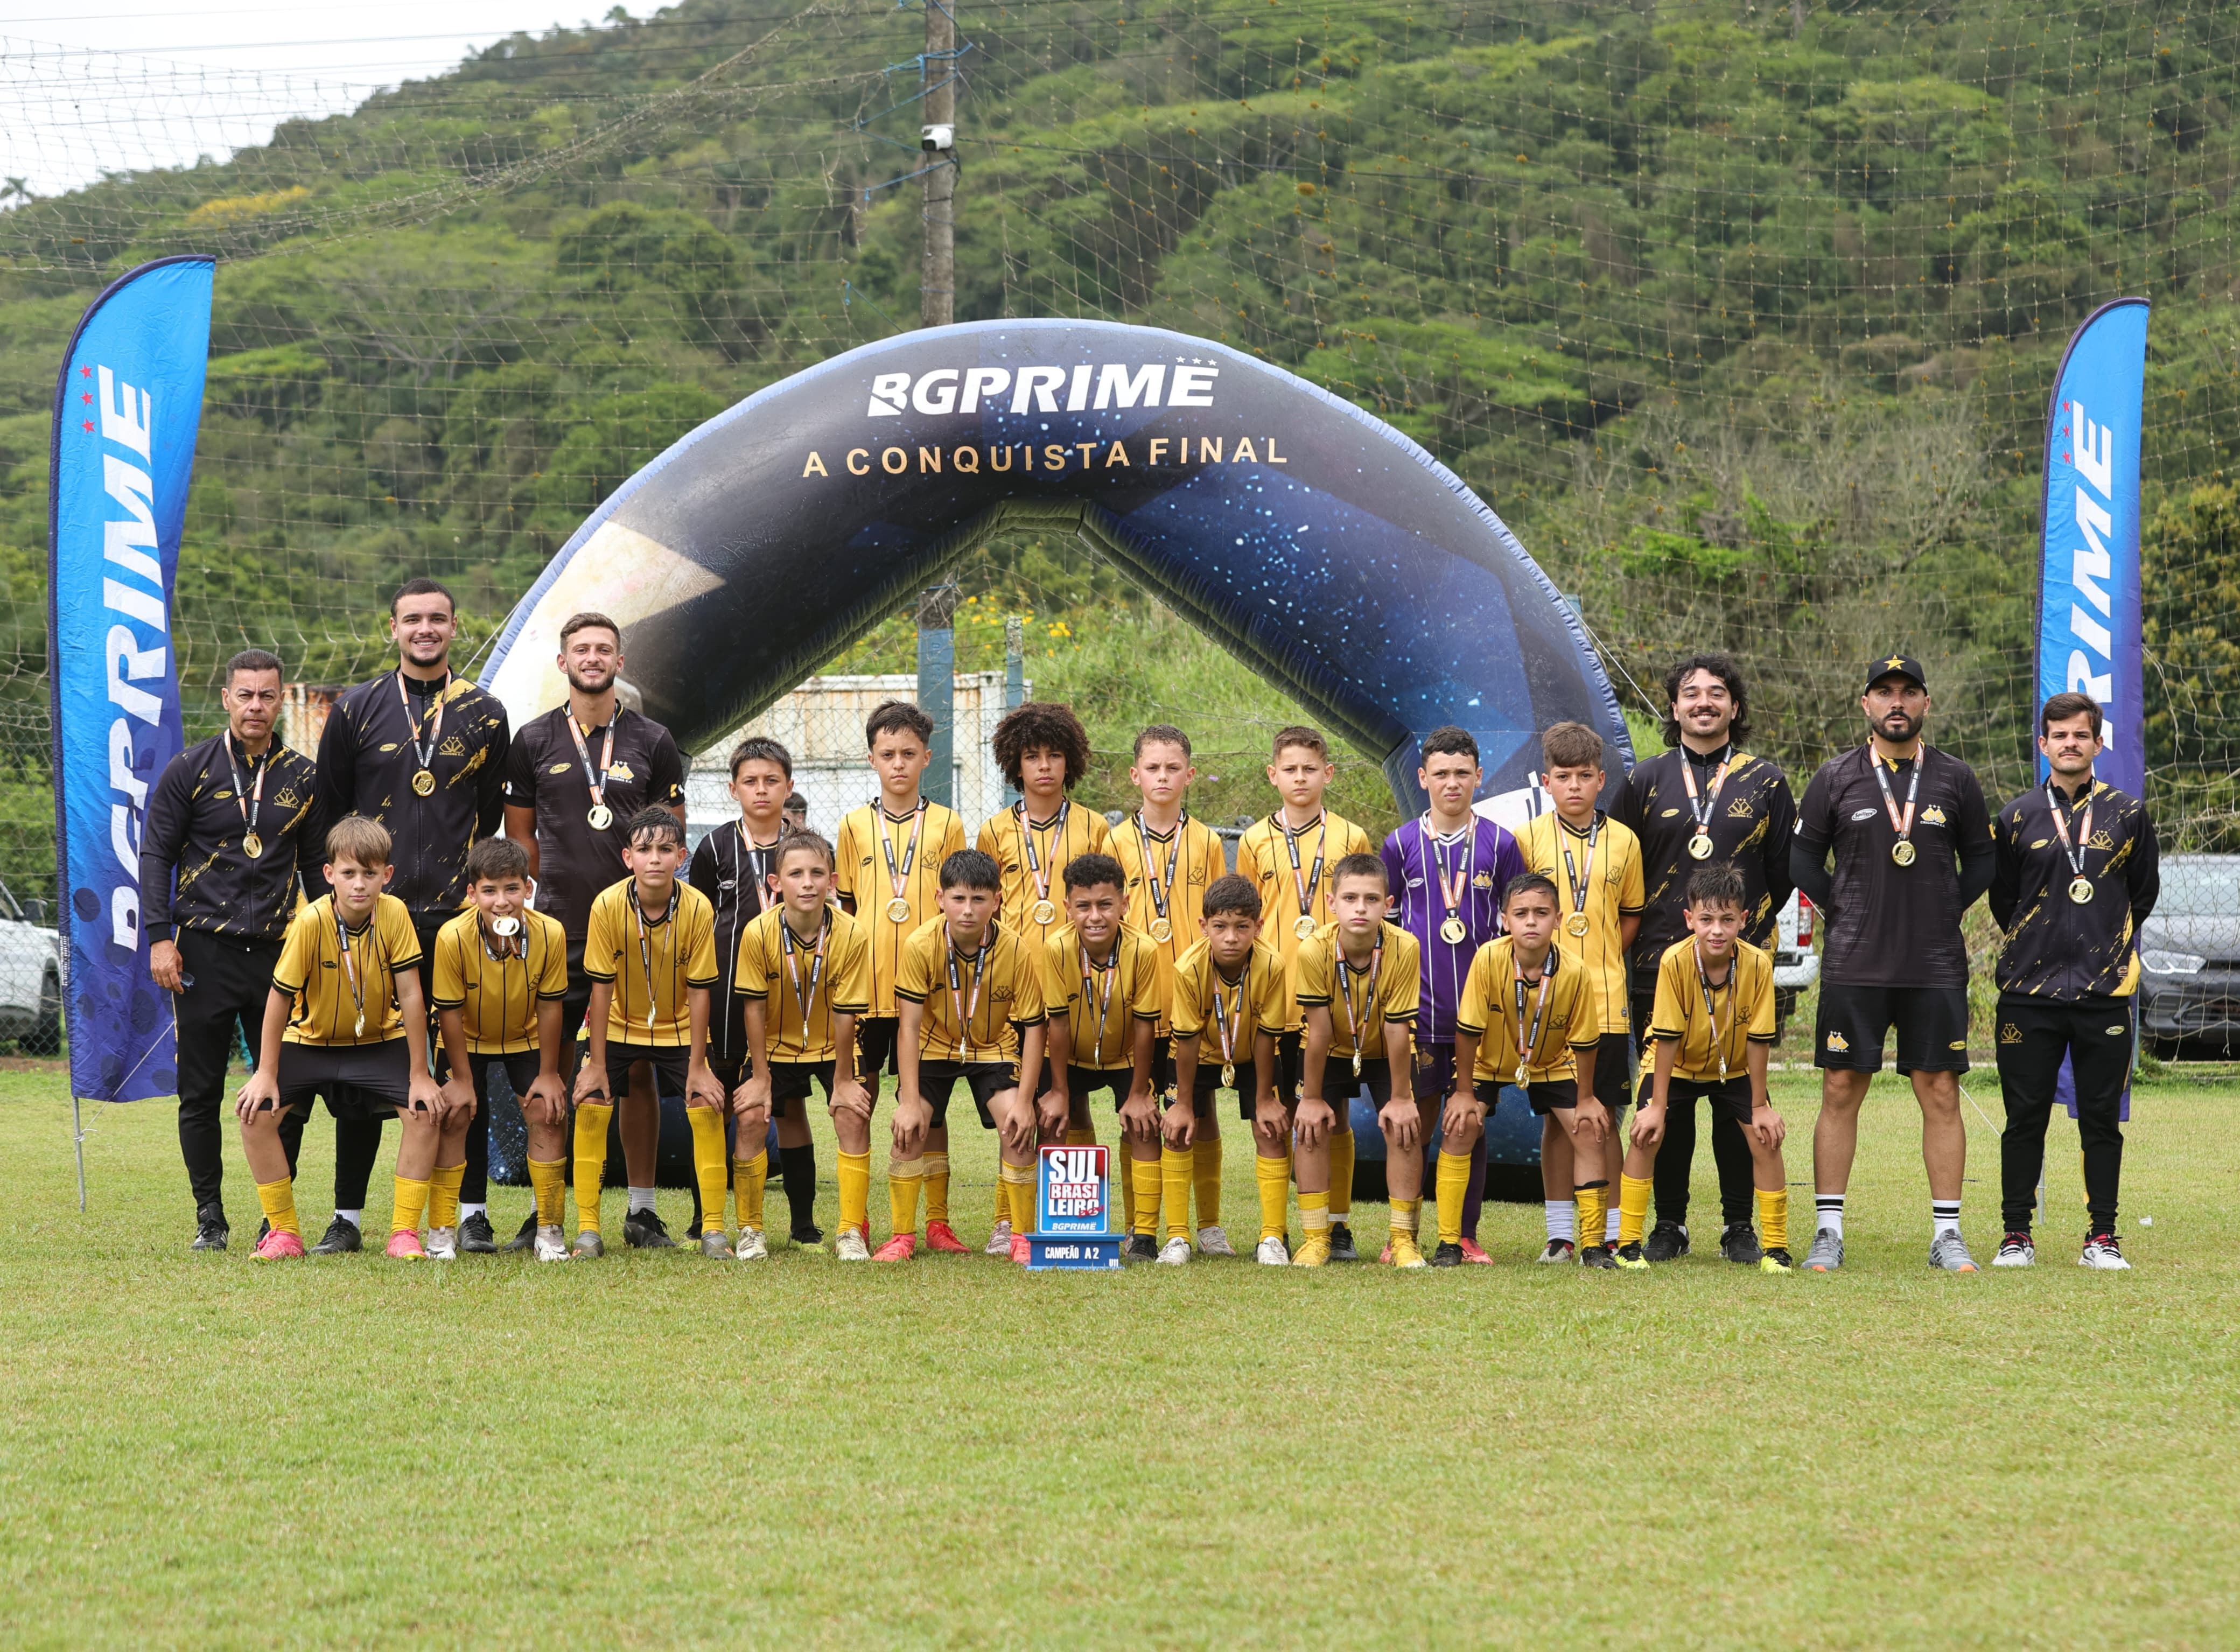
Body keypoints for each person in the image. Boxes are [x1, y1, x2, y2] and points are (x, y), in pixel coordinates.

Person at [313, 577, 511, 1253]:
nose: (424, 629)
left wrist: (479, 895)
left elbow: (488, 822)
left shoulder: (485, 712)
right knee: (365, 1057)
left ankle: (470, 1213)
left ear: (455, 627)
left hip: (458, 918)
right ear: (392, 628)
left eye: (437, 619)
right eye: (412, 619)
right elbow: (333, 811)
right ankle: (347, 1218)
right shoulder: (356, 708)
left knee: (467, 1065)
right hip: (378, 915)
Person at [1792, 654, 1994, 1273]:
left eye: (1908, 691)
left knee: (1939, 1091)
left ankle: (1947, 1233)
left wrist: (1940, 910)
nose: (1896, 702)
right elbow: (1801, 860)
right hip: (1855, 963)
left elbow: (1981, 863)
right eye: (1884, 692)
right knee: (1839, 1087)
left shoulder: (1955, 778)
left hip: (1933, 965)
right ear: (1866, 705)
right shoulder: (1834, 777)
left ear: (1926, 704)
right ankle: (1827, 1230)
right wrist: (1845, 910)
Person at [502, 611, 688, 1248]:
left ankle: (640, 1210)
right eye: (580, 649)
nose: (591, 657)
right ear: (563, 662)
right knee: (547, 1067)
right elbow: (520, 835)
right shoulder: (531, 740)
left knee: (632, 1071)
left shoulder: (654, 739)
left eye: (603, 648)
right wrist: (538, 900)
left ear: (619, 661)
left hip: (634, 932)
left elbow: (669, 829)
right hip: (557, 929)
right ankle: (546, 1210)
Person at [1613, 653, 1795, 1265]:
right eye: (1690, 693)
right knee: (1669, 1095)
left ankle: (1740, 1225)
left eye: (1716, 693)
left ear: (1734, 707)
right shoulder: (1644, 779)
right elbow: (1622, 865)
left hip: (1738, 967)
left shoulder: (1765, 780)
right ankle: (1667, 1223)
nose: (1703, 702)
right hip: (1656, 967)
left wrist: (1745, 943)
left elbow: (1781, 872)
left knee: (1735, 1096)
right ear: (1673, 708)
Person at [141, 649, 324, 1251]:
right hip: (202, 951)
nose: (256, 706)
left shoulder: (302, 775)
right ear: (226, 698)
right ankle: (209, 1217)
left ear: (279, 700)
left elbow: (320, 870)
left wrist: (332, 944)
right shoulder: (189, 768)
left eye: (267, 695)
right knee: (200, 1090)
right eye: (245, 694)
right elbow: (157, 855)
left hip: (279, 952)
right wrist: (160, 937)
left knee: (286, 1088)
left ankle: (276, 1217)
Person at [1987, 692, 2159, 1271]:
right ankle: (2015, 1234)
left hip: (2101, 992)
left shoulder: (2127, 814)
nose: (2068, 743)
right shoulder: (2013, 817)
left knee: (2099, 1118)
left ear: (2096, 743)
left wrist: (2099, 945)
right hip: (2025, 995)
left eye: (2079, 735)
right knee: (2024, 1115)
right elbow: (2003, 901)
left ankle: (2101, 1237)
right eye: (2057, 735)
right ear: (2042, 744)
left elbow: (2141, 895)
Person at [232, 816, 439, 1259]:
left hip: (380, 1042)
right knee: (256, 1114)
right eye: (348, 874)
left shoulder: (396, 913)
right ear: (330, 875)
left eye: (370, 874)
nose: (359, 885)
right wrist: (266, 1073)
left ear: (387, 875)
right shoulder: (310, 921)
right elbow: (277, 1002)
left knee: (425, 1111)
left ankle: (404, 1234)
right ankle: (284, 1233)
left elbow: (411, 994)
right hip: (311, 1043)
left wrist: (420, 1074)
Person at [1378, 725, 1526, 1264]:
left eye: (1462, 772)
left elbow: (1516, 929)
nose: (1451, 782)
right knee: (1413, 1121)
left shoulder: (1501, 843)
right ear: (1421, 778)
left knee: (1469, 1121)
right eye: (1440, 773)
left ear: (1478, 776)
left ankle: (1462, 1234)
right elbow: (1385, 930)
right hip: (1417, 1012)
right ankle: (1404, 1235)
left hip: (1479, 1015)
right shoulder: (1398, 844)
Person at [832, 701, 968, 1254]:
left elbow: (959, 904)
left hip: (928, 990)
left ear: (926, 758)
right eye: (887, 754)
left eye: (908, 754)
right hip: (865, 989)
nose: (898, 764)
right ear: (871, 758)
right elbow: (844, 908)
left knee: (927, 1105)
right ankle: (852, 1223)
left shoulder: (947, 824)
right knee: (857, 1099)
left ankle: (935, 1222)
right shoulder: (851, 825)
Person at [1234, 725, 1374, 1258]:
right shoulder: (1252, 840)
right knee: (1269, 1113)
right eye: (1288, 768)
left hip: (1332, 1001)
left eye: (1308, 769)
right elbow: (1246, 919)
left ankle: (1335, 1225)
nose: (1299, 777)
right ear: (1272, 775)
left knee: (1332, 1112)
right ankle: (1274, 1229)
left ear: (1327, 774)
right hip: (1271, 1000)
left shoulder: (1350, 836)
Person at [1615, 863, 1793, 1273]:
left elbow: (1760, 1037)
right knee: (1646, 1133)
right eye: (1707, 919)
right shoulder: (1674, 962)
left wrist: (1761, 1105)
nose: (1717, 930)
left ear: (1743, 920)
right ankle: (1632, 1243)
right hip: (1675, 1064)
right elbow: (1667, 1038)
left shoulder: (1758, 965)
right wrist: (1657, 1105)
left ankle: (1771, 1246)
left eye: (1728, 920)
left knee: (1764, 1135)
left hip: (1735, 1068)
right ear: (1689, 919)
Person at [978, 701, 1111, 1243]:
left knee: (1070, 1097)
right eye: (1031, 755)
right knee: (1018, 1102)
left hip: (1075, 987)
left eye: (1054, 754)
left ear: (1070, 761)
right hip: (1013, 990)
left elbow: (1104, 905)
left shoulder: (1093, 825)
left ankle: (1076, 1214)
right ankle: (1006, 1219)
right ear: (1015, 763)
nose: (1043, 766)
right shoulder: (993, 830)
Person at [572, 807, 726, 1258]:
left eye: (665, 850)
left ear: (681, 856)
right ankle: (588, 1231)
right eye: (644, 849)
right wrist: (597, 1064)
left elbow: (700, 993)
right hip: (620, 1023)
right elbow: (600, 990)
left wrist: (698, 1068)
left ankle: (715, 1231)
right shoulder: (607, 904)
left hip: (679, 1027)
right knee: (591, 1100)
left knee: (706, 1102)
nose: (654, 859)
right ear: (627, 857)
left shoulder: (697, 906)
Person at [1516, 723, 1643, 1262]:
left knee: (1603, 1115)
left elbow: (1630, 916)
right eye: (1562, 776)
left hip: (1606, 999)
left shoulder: (1624, 840)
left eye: (1583, 776)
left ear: (1600, 780)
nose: (1573, 786)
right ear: (1546, 780)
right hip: (1547, 1003)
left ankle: (1609, 1230)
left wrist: (1600, 958)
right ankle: (1560, 1233)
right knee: (1555, 1118)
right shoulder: (1527, 839)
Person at [690, 736, 824, 1247]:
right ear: (733, 789)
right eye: (751, 782)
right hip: (726, 995)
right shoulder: (715, 847)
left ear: (789, 786)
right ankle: (709, 1217)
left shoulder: (809, 848)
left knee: (788, 1107)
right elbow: (700, 920)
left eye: (772, 781)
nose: (762, 790)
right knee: (720, 1101)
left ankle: (803, 1220)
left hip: (790, 996)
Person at [1109, 724, 1233, 1256]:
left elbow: (1220, 925)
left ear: (1190, 773)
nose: (1162, 776)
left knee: (1197, 1109)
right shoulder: (1112, 841)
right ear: (1135, 774)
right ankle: (1143, 1228)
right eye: (1152, 768)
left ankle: (1206, 1226)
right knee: (1136, 1112)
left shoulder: (1206, 840)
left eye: (1172, 767)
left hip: (1191, 1004)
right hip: (1134, 1001)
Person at [891, 849, 1047, 1264]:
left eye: (979, 899)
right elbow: (907, 1027)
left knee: (1017, 1125)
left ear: (997, 901)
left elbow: (1035, 1028)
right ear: (940, 897)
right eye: (959, 899)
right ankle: (907, 1235)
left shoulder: (1016, 949)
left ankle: (1020, 1235)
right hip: (931, 1044)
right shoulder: (920, 944)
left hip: (992, 1045)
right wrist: (908, 1100)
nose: (968, 910)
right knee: (911, 1126)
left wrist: (1028, 1101)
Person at [1447, 872, 1608, 1265]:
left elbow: (1586, 1041)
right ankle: (1450, 1242)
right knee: (1463, 1123)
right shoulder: (1488, 957)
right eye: (1521, 913)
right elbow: (1468, 1030)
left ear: (1558, 918)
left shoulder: (1574, 971)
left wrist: (1586, 1099)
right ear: (1505, 920)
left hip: (1551, 1061)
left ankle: (1588, 1245)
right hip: (1490, 1060)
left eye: (1541, 912)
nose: (1531, 921)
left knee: (1586, 1130)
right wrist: (1464, 1093)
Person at [429, 837, 572, 1261]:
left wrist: (548, 1074)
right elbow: (450, 1015)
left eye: (512, 888)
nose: (502, 902)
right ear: (472, 894)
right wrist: (462, 1080)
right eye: (489, 890)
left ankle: (549, 1230)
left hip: (525, 1037)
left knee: (547, 1109)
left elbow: (550, 1008)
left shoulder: (551, 932)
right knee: (453, 1114)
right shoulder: (451, 936)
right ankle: (442, 1231)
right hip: (466, 1039)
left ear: (528, 888)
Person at [733, 831, 873, 1262]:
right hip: (774, 1045)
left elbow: (847, 1013)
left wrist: (845, 1081)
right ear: (777, 882)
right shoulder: (757, 932)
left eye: (817, 873)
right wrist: (760, 1079)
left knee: (852, 1113)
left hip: (835, 1045)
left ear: (832, 880)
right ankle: (751, 1230)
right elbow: (753, 1011)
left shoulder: (851, 933)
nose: (808, 883)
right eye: (796, 874)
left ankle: (851, 1232)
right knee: (753, 1115)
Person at [1295, 855, 1422, 1267]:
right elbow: (1319, 1032)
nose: (1361, 908)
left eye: (1371, 899)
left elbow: (1397, 1029)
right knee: (1313, 1126)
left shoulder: (1405, 946)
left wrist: (1401, 1098)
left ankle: (1404, 1239)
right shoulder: (1314, 948)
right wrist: (1311, 1098)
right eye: (1350, 898)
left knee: (1404, 1128)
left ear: (1388, 904)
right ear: (1332, 903)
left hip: (1387, 1050)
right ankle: (1318, 1238)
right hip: (1329, 1050)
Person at [1037, 854, 1164, 1261]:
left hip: (1127, 1054)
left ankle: (1141, 1232)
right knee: (1056, 1119)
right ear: (1067, 907)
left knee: (1142, 1126)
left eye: (1105, 905)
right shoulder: (1056, 948)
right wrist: (1058, 1090)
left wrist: (1140, 1092)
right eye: (1084, 906)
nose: (1095, 916)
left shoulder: (1144, 950)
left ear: (1124, 904)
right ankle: (1068, 1223)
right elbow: (1055, 1023)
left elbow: (1146, 1027)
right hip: (1069, 1055)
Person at [1169, 874, 1290, 1263]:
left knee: (1269, 1129)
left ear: (1259, 925)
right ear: (1204, 926)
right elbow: (1185, 1042)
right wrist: (1183, 1103)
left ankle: (1272, 1237)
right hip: (1199, 1054)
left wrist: (1266, 1099)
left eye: (1242, 926)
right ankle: (1183, 1235)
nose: (1232, 938)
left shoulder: (1272, 964)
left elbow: (1268, 1036)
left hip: (1254, 1055)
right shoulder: (1188, 968)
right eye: (1220, 927)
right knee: (1182, 1130)